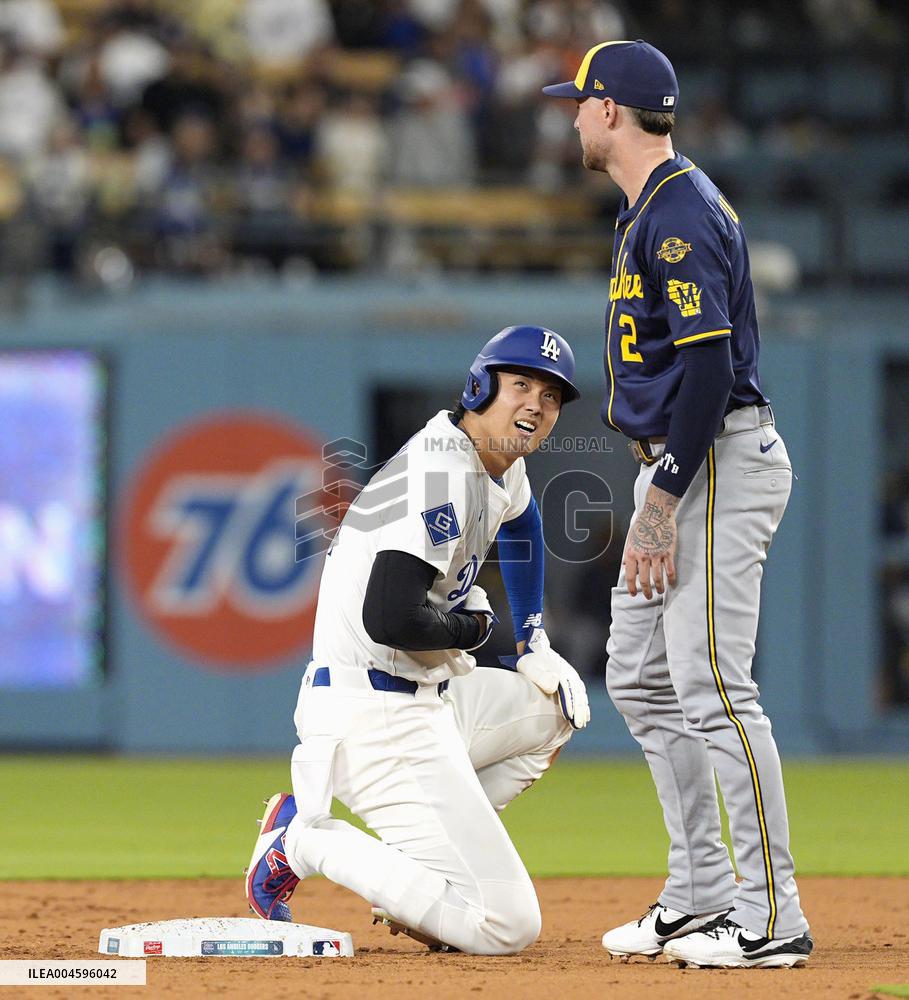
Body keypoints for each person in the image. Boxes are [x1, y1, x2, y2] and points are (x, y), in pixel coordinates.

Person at [543, 41, 813, 969]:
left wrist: (659, 498)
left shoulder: (676, 216)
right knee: (642, 672)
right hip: (679, 465)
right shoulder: (645, 211)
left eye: (578, 103)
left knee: (710, 682)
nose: (571, 116)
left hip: (714, 463)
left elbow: (706, 371)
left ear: (611, 111)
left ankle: (771, 914)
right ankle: (700, 895)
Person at [245, 325, 590, 956]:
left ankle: (422, 885)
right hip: (374, 715)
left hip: (427, 699)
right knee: (507, 927)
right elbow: (391, 618)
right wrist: (481, 630)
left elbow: (523, 526)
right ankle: (301, 839)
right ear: (480, 388)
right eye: (520, 385)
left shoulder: (495, 461)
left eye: (551, 395)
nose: (536, 405)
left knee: (557, 709)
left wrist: (533, 638)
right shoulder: (441, 469)